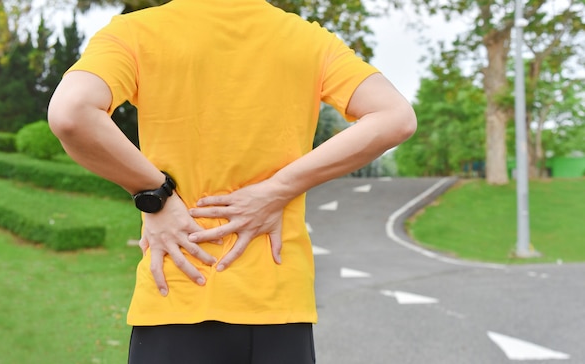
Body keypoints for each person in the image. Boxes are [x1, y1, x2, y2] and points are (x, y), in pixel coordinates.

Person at [47, 0, 416, 363]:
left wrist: (154, 194)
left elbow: (72, 112)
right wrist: (279, 189)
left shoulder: (134, 33)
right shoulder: (308, 40)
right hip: (278, 303)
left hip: (178, 291)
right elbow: (394, 116)